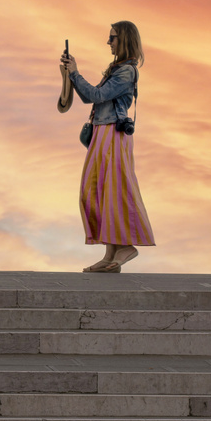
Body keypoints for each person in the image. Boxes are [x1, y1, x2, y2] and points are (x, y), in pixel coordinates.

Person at [61, 21, 155, 272]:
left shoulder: (125, 72)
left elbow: (96, 96)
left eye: (112, 38)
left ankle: (125, 247)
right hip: (104, 133)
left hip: (113, 133)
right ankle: (111, 253)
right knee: (98, 191)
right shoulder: (116, 69)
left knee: (111, 190)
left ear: (123, 40)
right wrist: (72, 74)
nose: (108, 42)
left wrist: (74, 73)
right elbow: (88, 96)